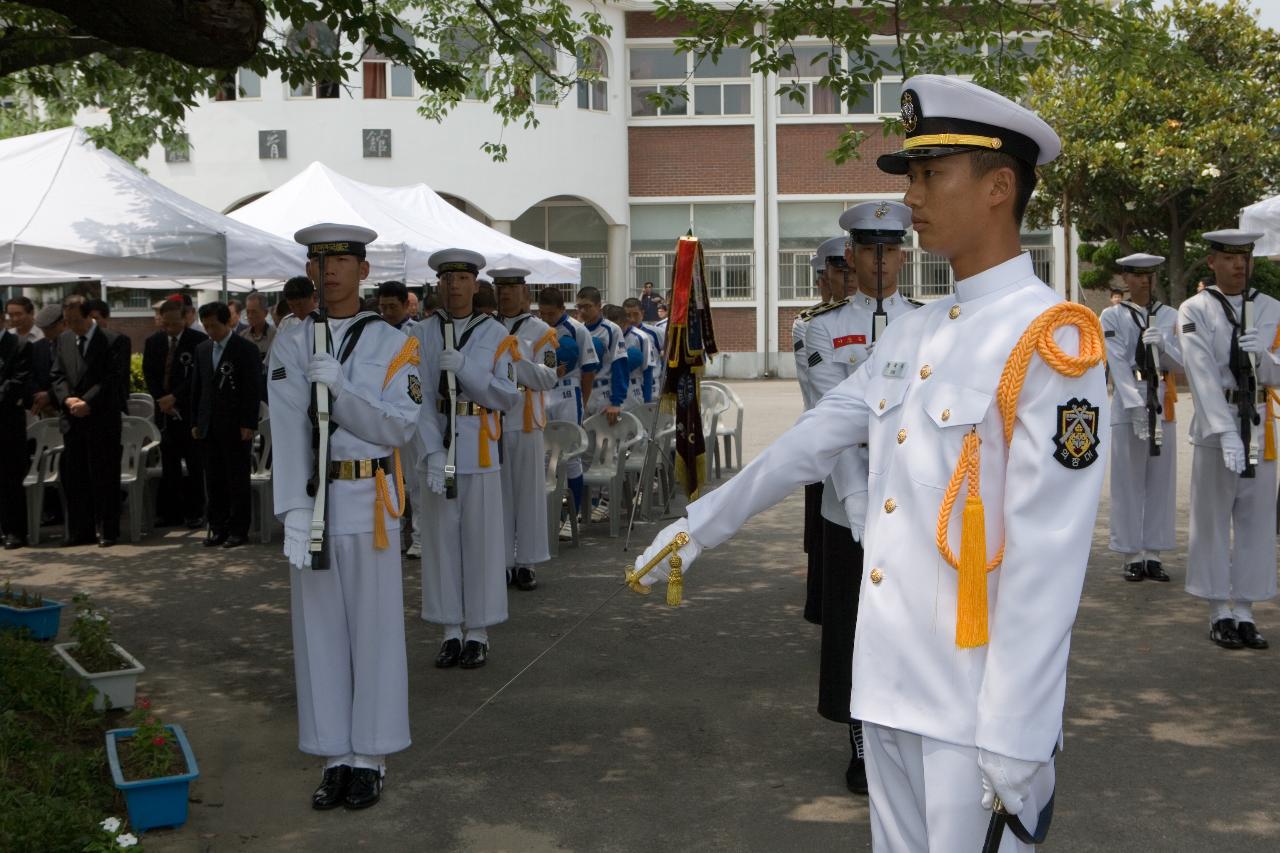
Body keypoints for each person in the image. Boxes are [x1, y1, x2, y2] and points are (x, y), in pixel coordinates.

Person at [632, 76, 1106, 852]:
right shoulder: (914, 336)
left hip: (971, 711)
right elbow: (811, 439)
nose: (911, 199)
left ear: (998, 187)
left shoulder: (1051, 342)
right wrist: (700, 525)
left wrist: (1019, 734)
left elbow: (1048, 559)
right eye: (910, 176)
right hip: (888, 690)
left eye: (929, 175)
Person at [270, 223, 420, 811]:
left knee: (375, 630)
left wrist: (345, 397)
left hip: (370, 501)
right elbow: (285, 425)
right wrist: (292, 509)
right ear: (310, 270)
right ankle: (335, 754)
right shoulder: (291, 338)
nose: (329, 270)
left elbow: (400, 426)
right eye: (318, 260)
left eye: (342, 260)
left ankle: (372, 755)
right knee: (319, 632)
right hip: (316, 502)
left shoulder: (391, 342)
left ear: (362, 270)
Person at [805, 203, 920, 794]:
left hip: (914, 504)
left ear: (904, 254)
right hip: (847, 508)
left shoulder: (930, 323)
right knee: (853, 627)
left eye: (891, 249)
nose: (880, 260)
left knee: (910, 624)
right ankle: (859, 738)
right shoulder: (821, 329)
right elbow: (834, 424)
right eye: (869, 250)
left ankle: (906, 732)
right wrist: (855, 504)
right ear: (850, 257)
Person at [412, 249, 521, 669]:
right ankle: (449, 630)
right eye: (447, 278)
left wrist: (468, 372)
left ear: (475, 286)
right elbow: (416, 398)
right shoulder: (421, 333)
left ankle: (479, 631)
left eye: (462, 278)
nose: (453, 285)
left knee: (482, 544)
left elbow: (508, 396)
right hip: (438, 450)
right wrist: (432, 453)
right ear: (438, 284)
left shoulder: (494, 334)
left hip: (479, 448)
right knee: (440, 545)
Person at [1177, 229, 1279, 650]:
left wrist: (1267, 358)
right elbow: (1200, 375)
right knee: (1213, 521)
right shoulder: (1195, 309)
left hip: (1260, 426)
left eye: (1245, 258)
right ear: (1212, 262)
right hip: (1216, 429)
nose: (1239, 266)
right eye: (1230, 258)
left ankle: (1246, 612)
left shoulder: (1271, 308)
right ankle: (1219, 609)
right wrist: (1224, 432)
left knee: (1257, 524)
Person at [1100, 253, 1182, 582]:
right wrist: (1134, 406)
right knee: (1128, 480)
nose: (1144, 281)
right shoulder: (1112, 315)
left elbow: (1182, 364)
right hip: (1129, 398)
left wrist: (1165, 346)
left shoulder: (1170, 315)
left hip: (1163, 397)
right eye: (1137, 275)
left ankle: (1153, 553)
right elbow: (1116, 361)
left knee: (1161, 481)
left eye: (1149, 275)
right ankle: (1131, 553)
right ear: (1126, 279)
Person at [494, 268, 559, 591]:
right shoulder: (487, 327)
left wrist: (518, 363)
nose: (504, 294)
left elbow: (547, 377)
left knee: (528, 494)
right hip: (491, 423)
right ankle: (504, 562)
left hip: (526, 419)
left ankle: (527, 562)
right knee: (500, 495)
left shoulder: (541, 330)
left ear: (525, 293)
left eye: (511, 288)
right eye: (499, 288)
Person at [50, 295, 131, 547]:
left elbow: (114, 379)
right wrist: (67, 400)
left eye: (76, 320)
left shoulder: (114, 341)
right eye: (67, 321)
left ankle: (108, 529)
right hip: (72, 419)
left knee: (104, 475)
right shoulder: (63, 340)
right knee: (75, 477)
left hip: (102, 418)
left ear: (89, 316)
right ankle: (80, 531)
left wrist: (88, 402)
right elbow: (57, 375)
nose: (71, 325)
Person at [191, 302, 261, 549]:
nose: (210, 331)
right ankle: (217, 527)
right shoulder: (202, 349)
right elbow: (198, 389)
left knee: (237, 479)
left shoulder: (245, 349)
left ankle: (238, 529)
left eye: (214, 326)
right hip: (209, 424)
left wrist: (248, 422)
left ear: (227, 322)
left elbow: (252, 390)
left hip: (235, 424)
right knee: (213, 479)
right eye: (206, 326)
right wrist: (196, 421)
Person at [143, 299, 208, 528]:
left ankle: (196, 511)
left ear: (185, 318)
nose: (169, 328)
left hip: (188, 411)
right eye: (166, 323)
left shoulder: (198, 341)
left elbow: (197, 377)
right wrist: (162, 398)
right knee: (169, 463)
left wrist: (176, 397)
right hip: (164, 411)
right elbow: (149, 373)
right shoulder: (154, 342)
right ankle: (171, 512)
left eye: (174, 323)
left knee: (193, 463)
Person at [537, 287, 599, 531]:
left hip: (567, 393)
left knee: (570, 456)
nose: (546, 318)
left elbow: (589, 370)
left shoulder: (577, 329)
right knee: (544, 457)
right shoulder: (537, 328)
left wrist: (582, 402)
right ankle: (548, 515)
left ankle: (570, 520)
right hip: (543, 392)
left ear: (562, 309)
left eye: (550, 313)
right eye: (542, 313)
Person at [795, 255, 831, 626]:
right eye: (836, 273)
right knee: (822, 537)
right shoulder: (810, 325)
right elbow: (818, 387)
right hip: (824, 437)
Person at [0, 319, 32, 548]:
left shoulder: (19, 344)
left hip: (7, 422)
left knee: (10, 478)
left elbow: (18, 381)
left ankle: (15, 531)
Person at [577, 286, 628, 427]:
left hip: (604, 393)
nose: (582, 311)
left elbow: (620, 365)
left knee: (606, 445)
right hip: (582, 392)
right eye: (579, 307)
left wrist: (616, 402)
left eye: (587, 306)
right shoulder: (578, 329)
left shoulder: (612, 330)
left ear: (599, 306)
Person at [621, 297, 657, 407]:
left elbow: (648, 369)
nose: (632, 319)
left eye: (635, 314)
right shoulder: (614, 334)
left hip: (647, 386)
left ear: (642, 313)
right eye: (628, 315)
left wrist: (647, 400)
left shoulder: (653, 333)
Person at [29, 304, 64, 417]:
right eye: (43, 329)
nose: (46, 332)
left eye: (50, 328)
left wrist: (50, 396)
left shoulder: (76, 346)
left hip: (68, 406)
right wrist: (40, 399)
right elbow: (30, 376)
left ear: (63, 323)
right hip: (43, 410)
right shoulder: (37, 347)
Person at [239, 292, 276, 387]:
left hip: (270, 385)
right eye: (248, 312)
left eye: (254, 312)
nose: (250, 316)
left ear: (265, 313)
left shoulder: (275, 335)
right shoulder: (243, 336)